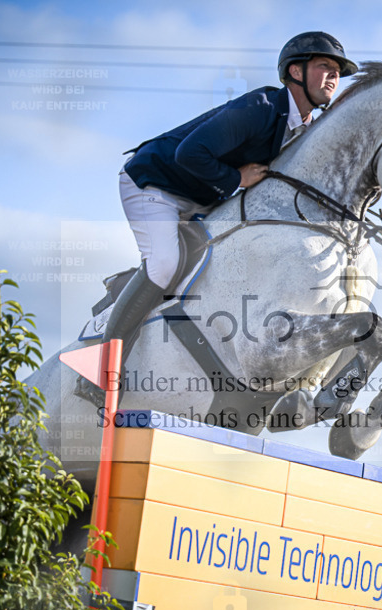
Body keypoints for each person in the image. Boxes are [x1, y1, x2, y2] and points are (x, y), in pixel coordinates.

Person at [76, 31, 357, 404]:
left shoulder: (305, 126)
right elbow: (189, 154)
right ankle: (100, 368)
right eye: (324, 66)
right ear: (295, 71)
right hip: (156, 184)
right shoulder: (260, 106)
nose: (333, 76)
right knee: (164, 265)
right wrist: (236, 179)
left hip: (204, 195)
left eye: (337, 70)